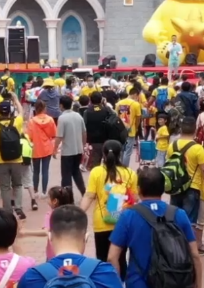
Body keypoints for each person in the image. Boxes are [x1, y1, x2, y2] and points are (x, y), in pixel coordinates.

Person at [80, 139, 138, 268]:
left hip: (101, 222)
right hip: (123, 221)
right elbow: (135, 198)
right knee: (120, 259)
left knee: (102, 259)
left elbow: (89, 196)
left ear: (104, 154)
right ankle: (120, 279)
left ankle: (106, 280)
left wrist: (79, 213)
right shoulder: (130, 173)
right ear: (120, 154)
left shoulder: (96, 172)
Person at [167, 117, 204, 226]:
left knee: (174, 219)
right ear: (195, 130)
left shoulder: (172, 146)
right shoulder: (198, 148)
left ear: (181, 129)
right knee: (189, 222)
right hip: (192, 187)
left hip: (175, 187)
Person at [0, 101, 28, 219]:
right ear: (10, 110)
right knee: (18, 185)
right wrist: (16, 99)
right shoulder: (17, 122)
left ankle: (7, 210)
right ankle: (18, 207)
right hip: (17, 159)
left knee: (5, 187)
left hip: (1, 160)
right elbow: (22, 111)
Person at [56, 95, 87, 195]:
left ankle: (68, 197)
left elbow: (59, 136)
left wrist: (54, 149)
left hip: (67, 151)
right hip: (78, 150)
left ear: (61, 105)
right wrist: (83, 145)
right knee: (76, 172)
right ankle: (83, 192)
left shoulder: (62, 118)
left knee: (66, 175)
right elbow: (84, 132)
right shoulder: (78, 115)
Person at [115, 87, 143, 166]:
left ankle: (120, 166)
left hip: (120, 130)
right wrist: (136, 127)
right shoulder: (136, 104)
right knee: (127, 152)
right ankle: (125, 168)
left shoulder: (119, 103)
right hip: (131, 131)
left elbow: (116, 116)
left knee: (121, 150)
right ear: (135, 94)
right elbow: (138, 118)